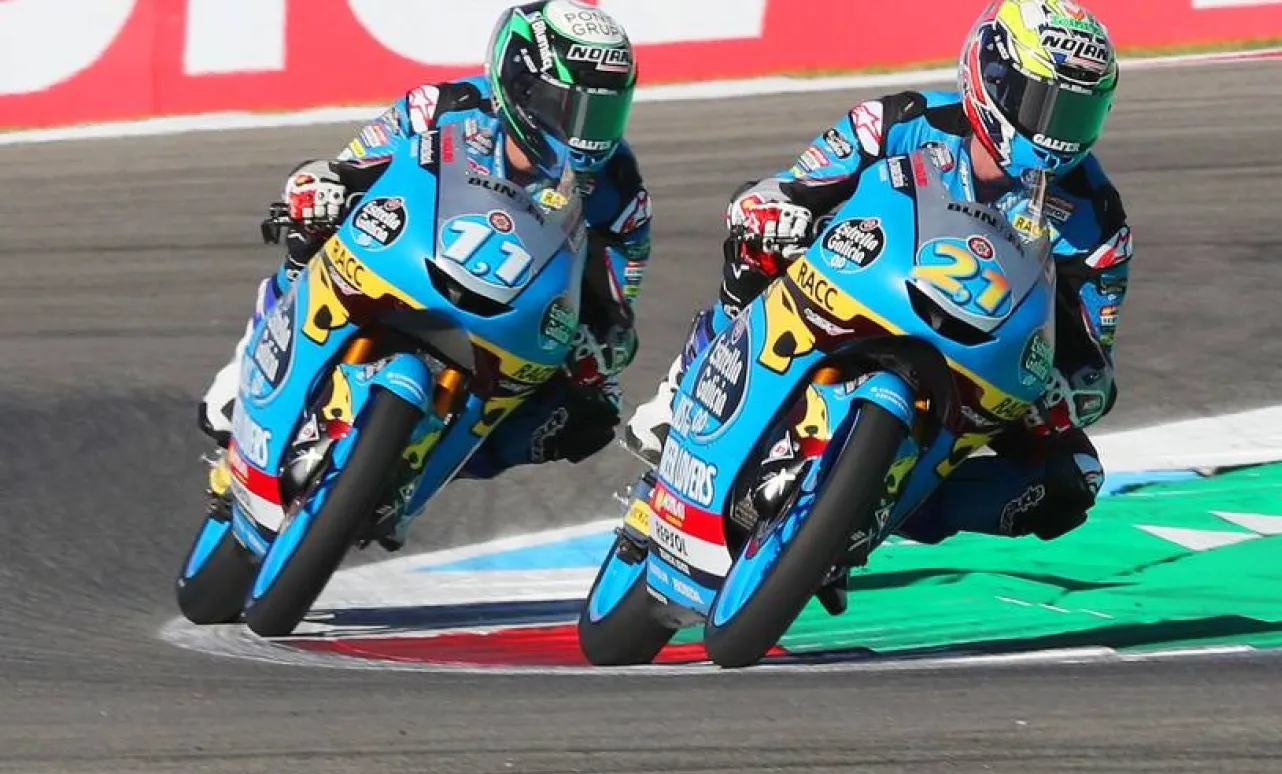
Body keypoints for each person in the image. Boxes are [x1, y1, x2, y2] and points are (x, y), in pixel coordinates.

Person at [624, 0, 1130, 552]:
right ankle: (688, 386)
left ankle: (882, 511)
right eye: (1046, 105)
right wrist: (772, 211)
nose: (1060, 133)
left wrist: (1070, 390)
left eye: (1078, 114)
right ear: (993, 79)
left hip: (976, 370)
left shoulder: (1098, 220)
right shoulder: (895, 121)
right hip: (853, 296)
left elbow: (1095, 363)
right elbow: (789, 188)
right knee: (757, 243)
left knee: (1074, 477)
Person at [198, 0, 651, 491]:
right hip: (404, 260)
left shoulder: (621, 188)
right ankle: (254, 362)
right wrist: (320, 187)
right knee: (312, 224)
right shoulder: (441, 106)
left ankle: (426, 467)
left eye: (604, 113)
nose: (588, 134)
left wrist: (602, 351)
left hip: (514, 324)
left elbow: (620, 300)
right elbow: (350, 166)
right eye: (572, 108)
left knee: (590, 415)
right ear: (521, 85)